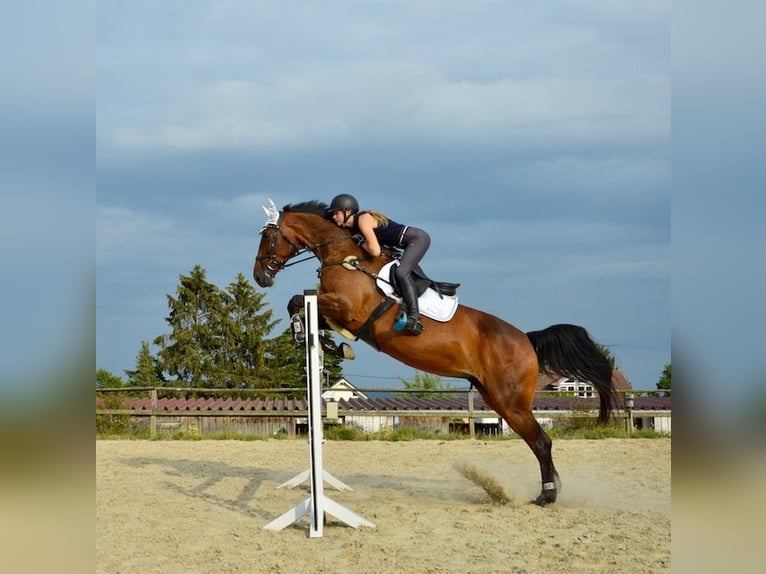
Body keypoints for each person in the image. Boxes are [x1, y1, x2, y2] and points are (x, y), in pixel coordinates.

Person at [325, 193, 430, 335]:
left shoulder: (363, 219)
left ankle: (414, 317)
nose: (334, 217)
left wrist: (361, 243)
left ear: (347, 212)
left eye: (336, 213)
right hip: (409, 242)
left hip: (417, 239)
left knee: (401, 272)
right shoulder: (355, 227)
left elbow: (374, 251)